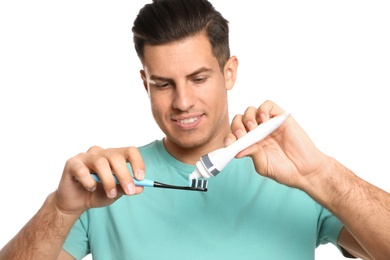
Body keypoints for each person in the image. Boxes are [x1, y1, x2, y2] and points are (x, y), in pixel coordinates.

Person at [1, 0, 389, 259]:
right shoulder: (107, 186)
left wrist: (321, 175)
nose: (182, 102)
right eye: (163, 84)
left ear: (229, 72)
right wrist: (61, 207)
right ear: (144, 83)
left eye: (199, 78)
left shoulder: (297, 176)